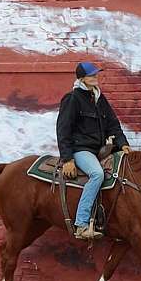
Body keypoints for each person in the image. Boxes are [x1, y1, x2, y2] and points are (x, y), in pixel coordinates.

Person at [56, 62, 131, 240]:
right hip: (81, 150)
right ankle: (81, 224)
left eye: (96, 74)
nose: (95, 77)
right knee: (97, 174)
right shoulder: (73, 98)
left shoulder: (98, 98)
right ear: (82, 78)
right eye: (91, 75)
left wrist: (123, 144)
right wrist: (67, 159)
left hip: (101, 150)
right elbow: (63, 130)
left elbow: (113, 124)